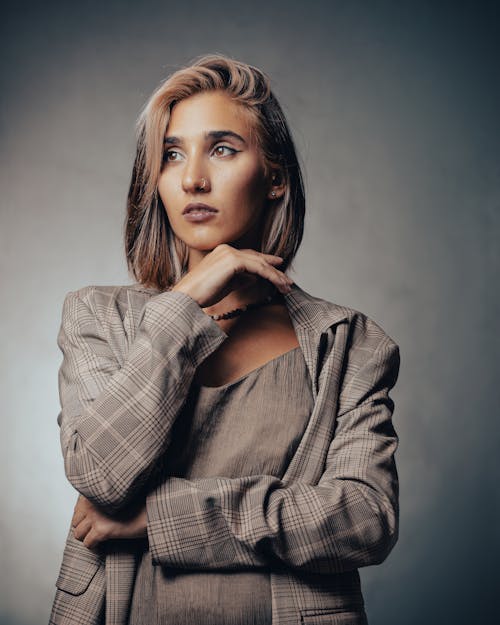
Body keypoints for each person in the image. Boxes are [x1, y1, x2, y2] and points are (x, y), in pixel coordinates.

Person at [49, 54, 401, 625]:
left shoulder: (349, 344)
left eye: (223, 149)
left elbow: (364, 518)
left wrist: (166, 517)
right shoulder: (98, 316)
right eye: (172, 154)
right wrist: (183, 305)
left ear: (276, 175)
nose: (193, 178)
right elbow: (100, 477)